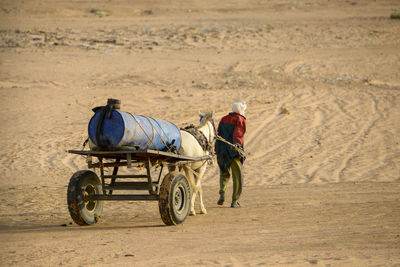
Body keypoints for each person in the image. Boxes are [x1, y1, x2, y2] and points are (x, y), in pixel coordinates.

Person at [215, 102, 246, 208]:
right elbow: (238, 132)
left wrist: (217, 150)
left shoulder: (224, 118)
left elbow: (218, 134)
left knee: (224, 173)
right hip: (233, 151)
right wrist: (237, 143)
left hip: (222, 151)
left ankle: (222, 193)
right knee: (237, 176)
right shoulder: (240, 119)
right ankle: (234, 201)